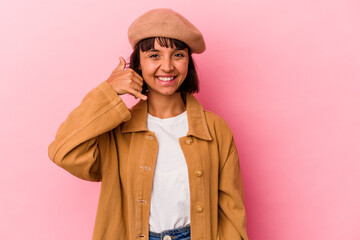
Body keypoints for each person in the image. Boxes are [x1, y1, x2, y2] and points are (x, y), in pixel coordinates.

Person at [48, 8, 248, 240]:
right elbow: (63, 152)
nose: (167, 66)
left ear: (188, 63)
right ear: (138, 64)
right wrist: (108, 91)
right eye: (154, 55)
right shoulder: (117, 132)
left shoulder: (215, 129)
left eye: (178, 55)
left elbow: (232, 214)